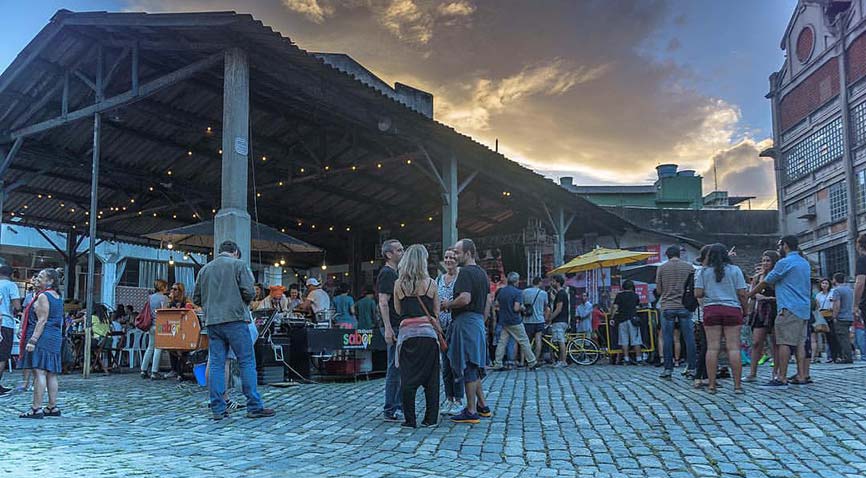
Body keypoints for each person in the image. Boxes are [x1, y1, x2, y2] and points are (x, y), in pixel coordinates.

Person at [194, 240, 274, 420]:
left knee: (216, 363)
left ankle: (218, 409)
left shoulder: (205, 270)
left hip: (213, 322)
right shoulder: (239, 265)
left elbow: (196, 298)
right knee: (246, 361)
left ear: (219, 252)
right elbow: (250, 293)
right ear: (236, 252)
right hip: (236, 320)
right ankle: (254, 406)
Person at [750, 235, 812, 388]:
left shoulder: (784, 263)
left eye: (780, 245)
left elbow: (766, 281)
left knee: (783, 342)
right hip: (803, 308)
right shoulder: (805, 263)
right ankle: (802, 375)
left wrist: (749, 294)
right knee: (799, 343)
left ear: (785, 245)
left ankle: (781, 377)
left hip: (788, 307)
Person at [392, 244, 442, 428]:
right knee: (431, 378)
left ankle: (410, 419)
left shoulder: (398, 284)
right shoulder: (431, 283)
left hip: (407, 336)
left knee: (407, 377)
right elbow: (436, 312)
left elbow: (398, 311)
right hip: (428, 335)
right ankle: (430, 418)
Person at [442, 238, 491, 424]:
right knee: (475, 364)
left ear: (468, 253)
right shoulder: (482, 273)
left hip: (466, 322)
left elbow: (464, 299)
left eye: (457, 252)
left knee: (469, 365)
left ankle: (471, 411)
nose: (455, 255)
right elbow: (488, 301)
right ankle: (482, 405)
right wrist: (482, 321)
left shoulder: (465, 273)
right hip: (477, 322)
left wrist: (447, 304)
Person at [694, 244, 747, 394]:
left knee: (712, 348)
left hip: (711, 310)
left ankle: (711, 385)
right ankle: (737, 386)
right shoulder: (735, 270)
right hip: (732, 309)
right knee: (733, 347)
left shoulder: (704, 272)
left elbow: (698, 293)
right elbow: (742, 293)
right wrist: (746, 310)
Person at [18, 268, 64, 418]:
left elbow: (42, 320)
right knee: (51, 373)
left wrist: (33, 340)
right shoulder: (57, 296)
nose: (38, 278)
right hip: (54, 336)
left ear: (50, 281)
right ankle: (52, 406)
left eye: (41, 277)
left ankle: (36, 408)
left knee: (39, 372)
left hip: (43, 336)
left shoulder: (43, 296)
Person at [656, 245, 697, 379]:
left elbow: (659, 290)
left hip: (667, 306)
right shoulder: (689, 267)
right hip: (685, 306)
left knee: (667, 339)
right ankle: (692, 368)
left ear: (667, 255)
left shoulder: (662, 268)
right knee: (689, 338)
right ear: (679, 254)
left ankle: (668, 369)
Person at [377, 239, 404, 422]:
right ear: (389, 254)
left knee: (400, 367)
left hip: (398, 324)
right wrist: (388, 328)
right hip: (393, 325)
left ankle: (397, 405)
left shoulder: (396, 273)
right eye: (399, 250)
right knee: (394, 367)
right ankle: (391, 408)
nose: (402, 252)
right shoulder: (387, 274)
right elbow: (383, 301)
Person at [745, 251, 779, 382]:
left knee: (775, 343)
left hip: (774, 310)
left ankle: (776, 372)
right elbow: (752, 293)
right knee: (756, 342)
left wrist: (770, 298)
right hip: (760, 311)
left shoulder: (776, 276)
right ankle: (752, 373)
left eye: (768, 260)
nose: (765, 263)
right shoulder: (757, 277)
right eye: (763, 260)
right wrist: (758, 296)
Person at [492, 272, 538, 371]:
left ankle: (498, 363)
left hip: (504, 320)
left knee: (502, 342)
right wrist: (523, 308)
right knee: (524, 341)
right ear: (516, 281)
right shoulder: (517, 292)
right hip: (514, 321)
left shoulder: (501, 291)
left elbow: (496, 304)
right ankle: (532, 361)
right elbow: (516, 308)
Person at [437, 248, 464, 415]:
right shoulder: (439, 278)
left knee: (457, 364)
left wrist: (449, 304)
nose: (449, 260)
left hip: (456, 326)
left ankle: (459, 398)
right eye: (446, 257)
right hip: (441, 327)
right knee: (445, 366)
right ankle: (448, 398)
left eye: (452, 257)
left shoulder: (461, 278)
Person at [140, 279, 169, 380]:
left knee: (150, 347)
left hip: (151, 325)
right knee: (158, 348)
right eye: (166, 286)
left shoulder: (150, 297)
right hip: (160, 325)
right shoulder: (164, 298)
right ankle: (154, 371)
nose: (167, 288)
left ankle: (143, 369)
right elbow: (165, 312)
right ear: (162, 287)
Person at [0, 264, 22, 395]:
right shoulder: (11, 286)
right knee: (2, 355)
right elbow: (17, 305)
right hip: (5, 323)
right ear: (11, 275)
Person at [166, 283, 194, 381]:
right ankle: (174, 370)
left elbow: (191, 310)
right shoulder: (171, 302)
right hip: (174, 328)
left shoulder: (186, 301)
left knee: (182, 351)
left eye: (175, 289)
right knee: (172, 349)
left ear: (180, 291)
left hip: (184, 328)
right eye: (172, 289)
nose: (172, 291)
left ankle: (180, 372)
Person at [612, 280, 643, 365]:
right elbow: (637, 307)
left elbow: (615, 307)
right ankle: (639, 359)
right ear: (632, 287)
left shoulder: (619, 295)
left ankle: (626, 359)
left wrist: (612, 317)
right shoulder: (635, 295)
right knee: (636, 340)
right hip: (633, 319)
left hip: (622, 320)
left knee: (624, 341)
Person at [522, 276, 549, 364]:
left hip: (527, 320)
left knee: (525, 341)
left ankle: (523, 361)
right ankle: (535, 360)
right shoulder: (543, 293)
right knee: (538, 340)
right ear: (540, 283)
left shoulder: (525, 291)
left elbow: (522, 305)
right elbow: (546, 307)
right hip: (539, 320)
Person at [830, 273, 854, 363]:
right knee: (847, 337)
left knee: (843, 339)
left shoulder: (837, 290)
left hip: (841, 317)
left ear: (835, 280)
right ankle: (848, 356)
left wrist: (834, 316)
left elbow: (837, 305)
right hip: (849, 316)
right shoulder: (850, 290)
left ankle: (847, 357)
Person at [548, 275, 570, 367]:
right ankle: (560, 360)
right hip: (561, 320)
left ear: (557, 282)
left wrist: (550, 318)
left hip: (559, 321)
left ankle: (563, 361)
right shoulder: (561, 293)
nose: (551, 283)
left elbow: (559, 308)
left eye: (553, 281)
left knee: (560, 340)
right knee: (558, 340)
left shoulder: (561, 293)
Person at [816, 278, 836, 363]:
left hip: (830, 314)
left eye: (826, 283)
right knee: (826, 336)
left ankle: (834, 355)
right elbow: (817, 306)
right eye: (823, 283)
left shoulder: (832, 292)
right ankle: (829, 356)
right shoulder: (818, 295)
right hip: (822, 315)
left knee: (832, 336)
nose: (824, 285)